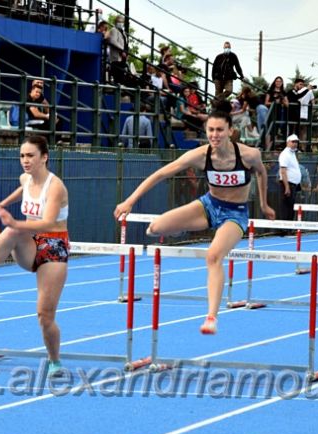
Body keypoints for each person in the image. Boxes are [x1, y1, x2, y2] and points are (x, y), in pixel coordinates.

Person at [113, 109, 275, 335]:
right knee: (155, 228)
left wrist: (264, 204)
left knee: (213, 256)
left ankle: (211, 317)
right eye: (210, 130)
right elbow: (161, 174)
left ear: (230, 131)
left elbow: (261, 173)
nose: (215, 135)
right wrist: (129, 201)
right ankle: (181, 230)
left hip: (235, 214)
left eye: (219, 130)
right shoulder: (200, 155)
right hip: (208, 206)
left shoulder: (249, 155)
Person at [0, 136, 70, 377]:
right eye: (22, 156)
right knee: (11, 231)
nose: (25, 161)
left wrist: (15, 221)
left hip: (54, 246)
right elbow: (23, 191)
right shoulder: (25, 178)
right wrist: (2, 203)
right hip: (29, 242)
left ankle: (54, 361)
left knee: (45, 315)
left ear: (44, 157)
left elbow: (49, 221)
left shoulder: (56, 187)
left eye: (30, 156)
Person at [278, 134, 302, 223]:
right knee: (286, 207)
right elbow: (283, 171)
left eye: (296, 142)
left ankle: (289, 229)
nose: (295, 144)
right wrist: (287, 187)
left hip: (293, 185)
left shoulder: (292, 154)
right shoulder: (285, 154)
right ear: (288, 142)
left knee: (290, 207)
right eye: (293, 142)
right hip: (288, 184)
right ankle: (284, 229)